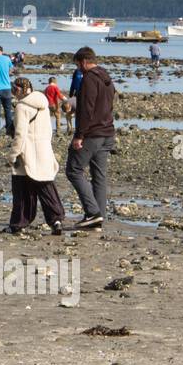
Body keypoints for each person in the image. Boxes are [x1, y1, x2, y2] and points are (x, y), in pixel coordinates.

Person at [65, 46, 116, 230]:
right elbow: (108, 105)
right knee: (99, 177)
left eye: (78, 65)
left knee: (73, 170)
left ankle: (93, 212)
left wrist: (79, 135)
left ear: (84, 61)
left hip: (92, 134)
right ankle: (98, 218)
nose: (78, 69)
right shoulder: (107, 78)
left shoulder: (89, 79)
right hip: (107, 132)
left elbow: (87, 109)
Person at [5, 78, 65, 234]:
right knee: (46, 187)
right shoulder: (43, 103)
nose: (14, 93)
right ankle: (56, 221)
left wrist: (12, 155)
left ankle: (18, 224)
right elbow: (48, 130)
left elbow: (20, 135)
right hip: (44, 150)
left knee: (22, 190)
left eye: (14, 90)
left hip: (28, 153)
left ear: (18, 90)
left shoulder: (21, 107)